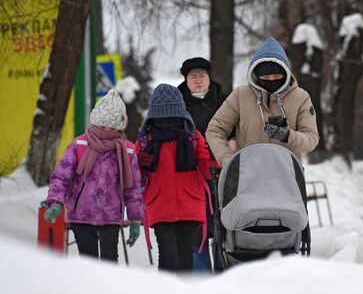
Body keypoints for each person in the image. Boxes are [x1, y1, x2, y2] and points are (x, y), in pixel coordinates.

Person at [44, 89, 144, 262]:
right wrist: (55, 202)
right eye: (103, 126)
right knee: (87, 262)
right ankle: (87, 290)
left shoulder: (126, 150)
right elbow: (61, 177)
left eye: (112, 127)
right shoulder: (80, 144)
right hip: (81, 214)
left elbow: (133, 187)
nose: (107, 131)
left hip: (111, 215)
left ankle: (108, 290)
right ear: (95, 121)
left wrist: (135, 218)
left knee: (109, 262)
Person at [206, 36, 319, 166]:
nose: (271, 80)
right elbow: (215, 130)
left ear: (286, 74)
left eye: (277, 76)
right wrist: (228, 161)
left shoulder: (301, 97)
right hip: (248, 175)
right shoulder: (240, 96)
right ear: (257, 76)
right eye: (265, 77)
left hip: (287, 177)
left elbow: (311, 140)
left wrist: (288, 136)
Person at [136, 84, 212, 274]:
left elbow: (205, 163)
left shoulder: (192, 136)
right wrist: (137, 163)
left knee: (186, 256)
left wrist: (217, 167)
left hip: (188, 204)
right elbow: (135, 175)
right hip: (161, 204)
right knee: (169, 255)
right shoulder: (146, 139)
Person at [176, 57, 229, 272]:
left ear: (209, 78)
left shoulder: (224, 101)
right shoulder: (177, 104)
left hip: (221, 170)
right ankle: (201, 276)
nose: (198, 80)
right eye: (193, 77)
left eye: (202, 76)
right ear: (186, 80)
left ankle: (225, 271)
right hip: (191, 173)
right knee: (196, 224)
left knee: (221, 224)